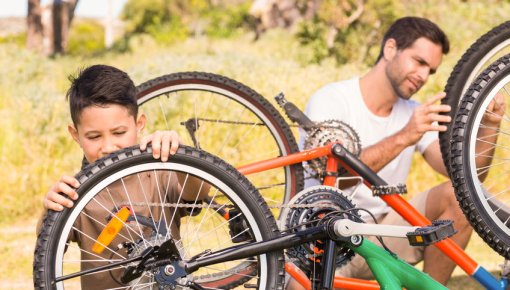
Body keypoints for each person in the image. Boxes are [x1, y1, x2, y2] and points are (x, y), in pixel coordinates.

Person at [289, 16, 505, 288]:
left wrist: (490, 126)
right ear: (390, 49)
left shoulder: (412, 110)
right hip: (324, 236)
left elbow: (466, 175)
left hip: (381, 232)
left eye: (431, 71)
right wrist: (405, 136)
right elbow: (332, 174)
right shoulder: (332, 99)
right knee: (297, 285)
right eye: (419, 62)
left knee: (459, 196)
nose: (424, 76)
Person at [38, 64, 210, 288]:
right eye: (93, 136)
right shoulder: (76, 192)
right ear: (75, 135)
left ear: (139, 125)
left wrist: (180, 157)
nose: (109, 146)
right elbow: (46, 245)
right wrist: (49, 208)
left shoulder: (159, 171)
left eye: (119, 133)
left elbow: (197, 193)